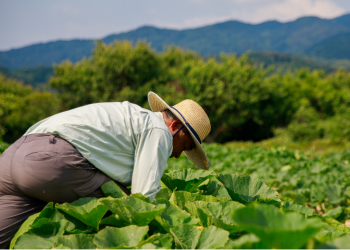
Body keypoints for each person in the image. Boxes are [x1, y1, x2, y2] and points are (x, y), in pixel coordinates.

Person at [0, 91, 211, 248]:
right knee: (123, 208)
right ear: (174, 126)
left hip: (13, 157)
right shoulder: (159, 130)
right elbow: (141, 200)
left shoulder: (131, 116)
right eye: (186, 145)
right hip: (52, 163)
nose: (178, 154)